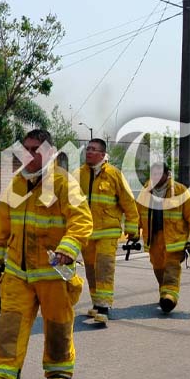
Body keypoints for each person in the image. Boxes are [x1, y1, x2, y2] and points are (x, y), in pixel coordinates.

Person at [0, 129, 92, 379]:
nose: (28, 154)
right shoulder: (16, 183)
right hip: (18, 272)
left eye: (35, 149)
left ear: (49, 152)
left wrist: (68, 248)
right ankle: (2, 378)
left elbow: (81, 220)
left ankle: (59, 370)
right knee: (10, 324)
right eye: (25, 148)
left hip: (54, 271)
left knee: (57, 323)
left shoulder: (63, 183)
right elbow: (4, 223)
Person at [76, 138, 140, 324]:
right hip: (87, 232)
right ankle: (97, 304)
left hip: (108, 231)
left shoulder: (114, 174)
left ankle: (104, 307)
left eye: (93, 149)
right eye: (88, 149)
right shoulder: (78, 174)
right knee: (91, 269)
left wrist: (132, 227)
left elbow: (128, 202)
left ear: (103, 154)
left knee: (104, 267)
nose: (89, 152)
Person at [136, 163, 190, 313]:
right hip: (154, 239)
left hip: (174, 239)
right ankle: (165, 291)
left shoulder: (180, 191)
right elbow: (138, 212)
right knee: (158, 268)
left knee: (171, 268)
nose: (155, 177)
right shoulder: (145, 191)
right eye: (153, 174)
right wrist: (134, 231)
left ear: (167, 175)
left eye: (159, 174)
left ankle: (170, 298)